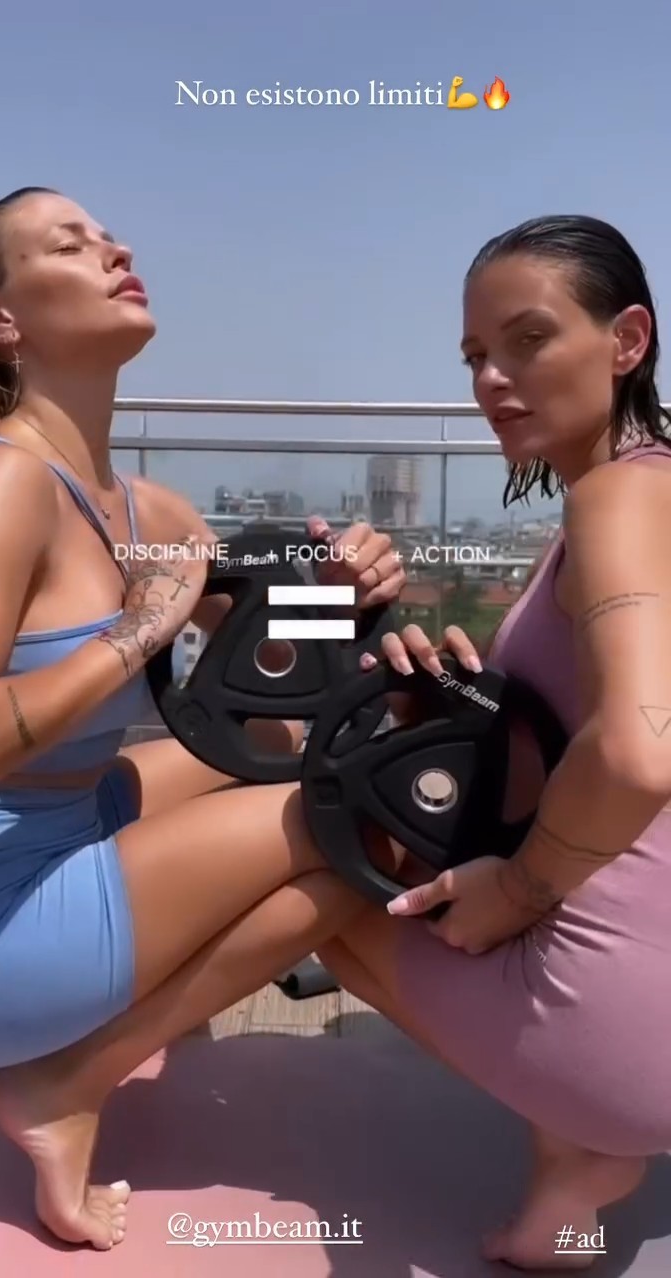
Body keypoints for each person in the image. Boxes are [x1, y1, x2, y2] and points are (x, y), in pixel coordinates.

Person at [0, 187, 406, 1252]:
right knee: (355, 829)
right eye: (70, 245)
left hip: (64, 825)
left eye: (110, 237)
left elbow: (269, 662)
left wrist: (344, 594)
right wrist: (135, 632)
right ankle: (65, 1082)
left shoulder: (148, 511)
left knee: (289, 755)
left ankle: (142, 988)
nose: (115, 251)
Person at [316, 213, 671, 1269]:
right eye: (475, 355)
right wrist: (462, 698)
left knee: (321, 877)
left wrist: (516, 892)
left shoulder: (619, 501)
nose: (491, 380)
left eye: (528, 340)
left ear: (627, 340)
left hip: (625, 1022)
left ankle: (584, 1144)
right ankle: (578, 1154)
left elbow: (641, 750)